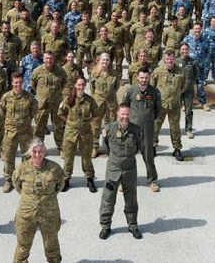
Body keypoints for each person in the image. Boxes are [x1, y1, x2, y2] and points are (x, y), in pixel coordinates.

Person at [12, 139, 63, 263]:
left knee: (51, 244)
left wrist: (46, 198)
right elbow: (17, 185)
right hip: (27, 214)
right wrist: (31, 200)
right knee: (23, 245)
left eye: (40, 151)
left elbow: (59, 186)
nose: (37, 154)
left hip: (49, 213)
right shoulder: (21, 169)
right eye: (34, 151)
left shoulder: (54, 168)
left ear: (44, 152)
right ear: (30, 152)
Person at [99, 104, 143, 240]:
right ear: (118, 113)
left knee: (131, 199)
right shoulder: (109, 129)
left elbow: (139, 147)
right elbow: (105, 148)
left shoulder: (136, 130)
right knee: (108, 198)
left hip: (130, 169)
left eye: (127, 114)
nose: (125, 117)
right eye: (122, 114)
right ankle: (105, 226)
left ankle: (133, 225)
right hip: (113, 169)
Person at [121, 67, 162, 192]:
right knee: (128, 155)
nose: (144, 80)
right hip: (132, 129)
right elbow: (124, 107)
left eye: (146, 78)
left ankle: (152, 180)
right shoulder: (130, 91)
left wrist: (147, 120)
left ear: (149, 78)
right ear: (137, 78)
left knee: (148, 155)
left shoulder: (154, 92)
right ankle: (126, 181)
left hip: (147, 129)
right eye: (141, 77)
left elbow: (158, 110)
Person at [0, 73, 39, 193]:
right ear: (12, 83)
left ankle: (24, 179)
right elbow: (2, 113)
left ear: (23, 82)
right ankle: (9, 179)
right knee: (9, 156)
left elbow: (34, 111)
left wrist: (24, 122)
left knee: (26, 156)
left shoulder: (29, 97)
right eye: (16, 82)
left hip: (25, 132)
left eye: (20, 82)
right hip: (10, 132)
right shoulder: (6, 97)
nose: (18, 85)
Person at [58, 77, 99, 193]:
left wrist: (87, 122)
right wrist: (69, 122)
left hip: (85, 133)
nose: (81, 87)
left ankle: (90, 179)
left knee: (86, 158)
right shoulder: (68, 99)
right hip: (70, 133)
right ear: (75, 85)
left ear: (85, 86)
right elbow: (60, 113)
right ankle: (66, 180)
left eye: (82, 85)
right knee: (68, 157)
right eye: (79, 85)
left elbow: (96, 114)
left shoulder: (89, 100)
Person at [151, 51, 186, 161]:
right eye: (167, 59)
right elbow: (152, 87)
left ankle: (177, 149)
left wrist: (175, 95)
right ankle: (152, 146)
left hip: (174, 105)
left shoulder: (181, 72)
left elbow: (183, 86)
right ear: (164, 60)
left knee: (175, 128)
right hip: (160, 105)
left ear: (174, 59)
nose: (169, 61)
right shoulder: (157, 71)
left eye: (171, 59)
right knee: (155, 127)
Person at [30, 51, 68, 151]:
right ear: (43, 59)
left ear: (54, 59)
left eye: (50, 58)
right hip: (42, 104)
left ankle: (61, 147)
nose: (48, 60)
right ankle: (39, 148)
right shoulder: (37, 71)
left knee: (58, 126)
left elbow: (64, 84)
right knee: (39, 127)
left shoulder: (60, 71)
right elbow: (33, 85)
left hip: (56, 103)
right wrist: (42, 94)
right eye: (46, 58)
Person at [91, 53, 119, 158]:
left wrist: (109, 95)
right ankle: (94, 146)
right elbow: (92, 87)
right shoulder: (94, 73)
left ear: (110, 61)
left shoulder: (114, 74)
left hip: (111, 103)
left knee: (111, 125)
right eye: (103, 60)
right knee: (95, 125)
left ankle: (110, 146)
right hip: (98, 102)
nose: (105, 62)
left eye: (107, 60)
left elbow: (116, 87)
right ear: (99, 61)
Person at [184, 23, 211, 112]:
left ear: (201, 29)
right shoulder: (187, 39)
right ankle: (186, 104)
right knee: (188, 86)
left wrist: (205, 63)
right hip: (190, 68)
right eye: (196, 29)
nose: (197, 31)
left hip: (201, 67)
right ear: (193, 29)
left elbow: (208, 52)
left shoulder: (205, 40)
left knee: (200, 86)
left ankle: (203, 103)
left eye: (199, 29)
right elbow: (182, 50)